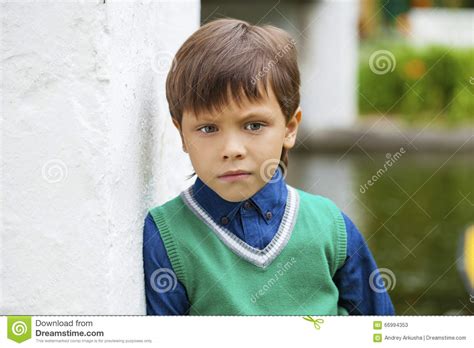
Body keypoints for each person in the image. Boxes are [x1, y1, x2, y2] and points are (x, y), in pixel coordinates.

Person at [143, 18, 395, 315]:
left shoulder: (331, 227)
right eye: (208, 128)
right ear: (182, 134)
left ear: (289, 128)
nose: (232, 150)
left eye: (253, 125)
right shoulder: (166, 233)